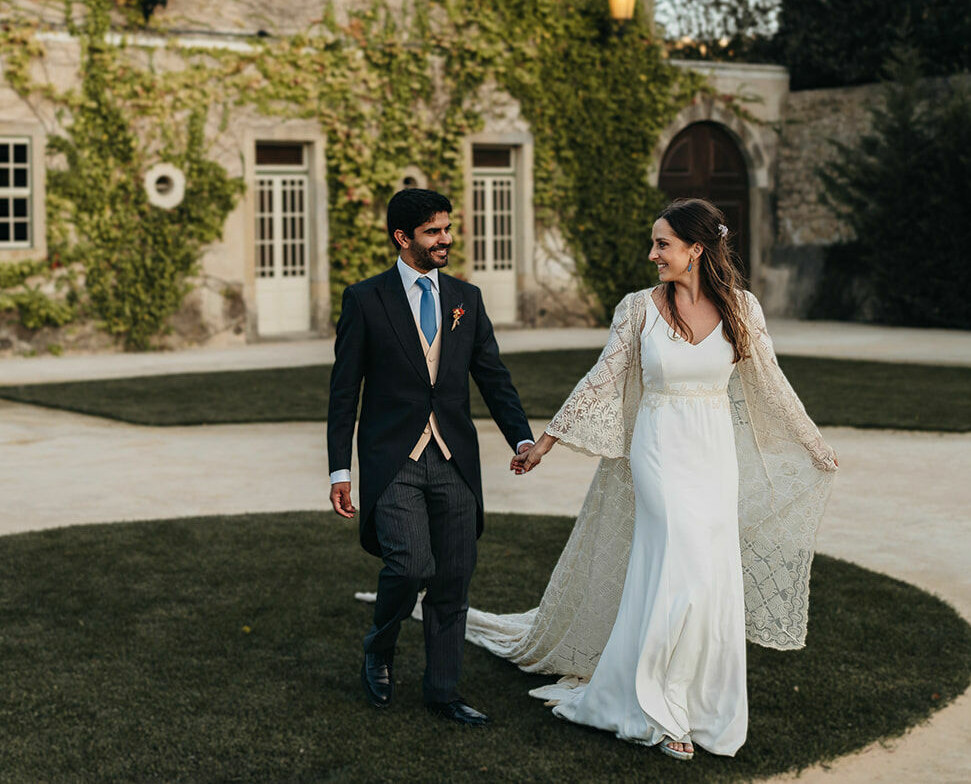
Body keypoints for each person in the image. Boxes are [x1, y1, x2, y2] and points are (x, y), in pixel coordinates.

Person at [471, 197, 839, 760]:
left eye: (663, 244)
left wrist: (813, 442)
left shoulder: (743, 308)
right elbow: (602, 379)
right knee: (679, 562)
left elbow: (771, 382)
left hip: (714, 452)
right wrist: (545, 441)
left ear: (696, 249)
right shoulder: (638, 309)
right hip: (659, 444)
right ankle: (658, 711)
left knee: (711, 575)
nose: (652, 254)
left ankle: (699, 702)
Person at [326, 187, 536, 727]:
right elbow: (344, 392)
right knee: (411, 563)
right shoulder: (365, 299)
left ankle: (442, 691)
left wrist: (521, 438)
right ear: (404, 238)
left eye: (447, 228)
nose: (447, 239)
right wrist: (340, 469)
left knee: (453, 578)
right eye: (434, 232)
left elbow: (491, 375)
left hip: (453, 460)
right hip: (393, 459)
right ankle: (380, 642)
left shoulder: (466, 296)